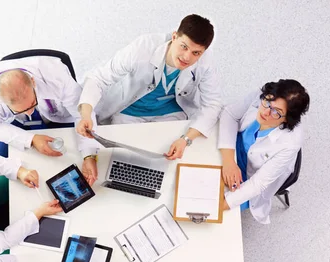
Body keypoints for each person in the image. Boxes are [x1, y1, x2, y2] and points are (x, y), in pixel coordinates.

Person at [75, 14, 223, 185]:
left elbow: (212, 104)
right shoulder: (143, 48)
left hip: (170, 112)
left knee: (168, 165)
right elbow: (98, 78)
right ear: (174, 36)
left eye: (196, 53)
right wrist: (86, 114)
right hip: (129, 111)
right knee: (122, 165)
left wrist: (186, 139)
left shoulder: (206, 62)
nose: (187, 57)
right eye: (183, 47)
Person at [219, 79, 310, 224]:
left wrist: (220, 206)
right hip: (235, 147)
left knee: (220, 203)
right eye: (268, 103)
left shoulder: (290, 143)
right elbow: (229, 113)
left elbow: (258, 183)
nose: (266, 112)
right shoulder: (265, 96)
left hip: (252, 175)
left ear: (287, 119)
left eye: (276, 113)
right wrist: (229, 161)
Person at [0, 55, 92, 157]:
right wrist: (30, 139)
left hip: (60, 117)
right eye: (22, 110)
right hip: (18, 124)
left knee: (75, 152)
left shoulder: (56, 76)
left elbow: (82, 113)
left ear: (33, 82)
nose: (30, 112)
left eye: (32, 104)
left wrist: (89, 155)